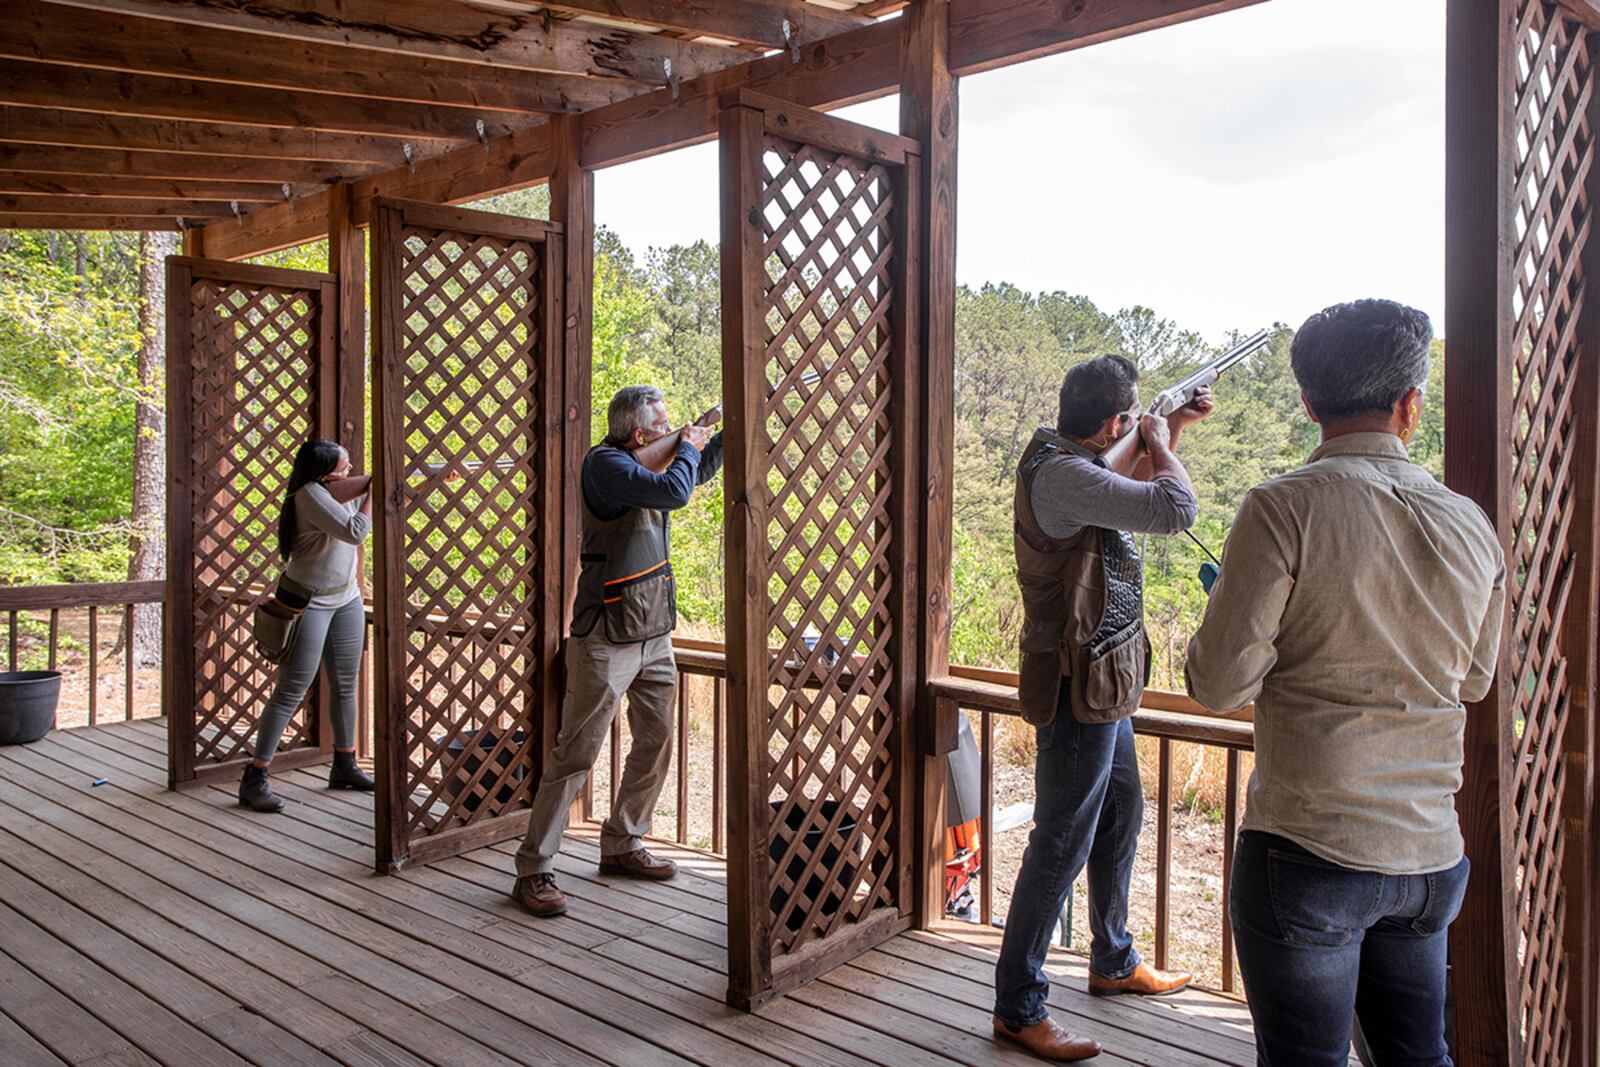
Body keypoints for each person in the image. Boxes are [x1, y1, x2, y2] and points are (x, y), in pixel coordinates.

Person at [1185, 300, 1506, 1066]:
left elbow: (1218, 684)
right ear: (1409, 406)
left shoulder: (1283, 507)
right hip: (1428, 857)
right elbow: (1474, 679)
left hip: (1309, 849)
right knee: (1418, 1056)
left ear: (1307, 401)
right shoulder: (1471, 524)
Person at [993, 354, 1209, 1062]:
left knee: (1123, 812)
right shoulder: (1058, 474)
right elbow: (1175, 508)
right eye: (1133, 419)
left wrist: (1166, 427)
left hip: (1102, 676)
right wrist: (1161, 442)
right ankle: (1018, 1005)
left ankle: (1111, 958)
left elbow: (1122, 489)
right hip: (1073, 679)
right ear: (1114, 422)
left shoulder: (1074, 465)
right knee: (1060, 841)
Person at [512, 385, 723, 918]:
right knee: (576, 754)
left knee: (656, 741)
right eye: (664, 426)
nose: (672, 432)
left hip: (653, 631)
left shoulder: (649, 465)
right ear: (638, 434)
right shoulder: (605, 464)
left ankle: (624, 841)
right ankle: (534, 867)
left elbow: (695, 473)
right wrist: (692, 443)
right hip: (606, 634)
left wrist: (723, 433)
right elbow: (676, 490)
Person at [239, 439, 375, 813]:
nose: (349, 473)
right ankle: (255, 776)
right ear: (325, 473)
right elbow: (356, 532)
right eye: (345, 468)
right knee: (291, 690)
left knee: (346, 684)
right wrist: (373, 494)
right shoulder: (309, 496)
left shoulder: (336, 489)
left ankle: (345, 764)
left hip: (346, 598)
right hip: (308, 602)